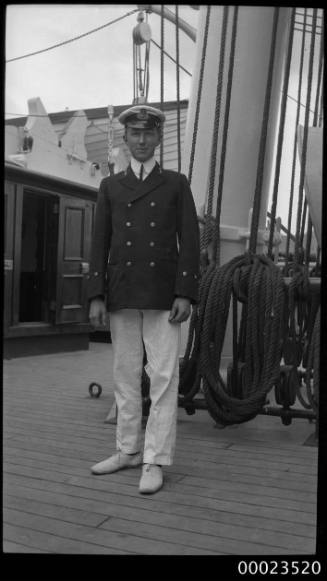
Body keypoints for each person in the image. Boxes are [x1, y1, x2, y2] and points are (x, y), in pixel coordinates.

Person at [88, 104, 200, 494]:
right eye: (134, 134)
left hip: (162, 292)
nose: (140, 140)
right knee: (124, 373)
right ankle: (127, 449)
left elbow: (190, 242)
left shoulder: (175, 183)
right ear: (125, 138)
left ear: (158, 139)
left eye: (147, 134)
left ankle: (154, 459)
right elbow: (99, 242)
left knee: (164, 377)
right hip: (121, 290)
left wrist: (186, 291)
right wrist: (97, 294)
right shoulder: (110, 187)